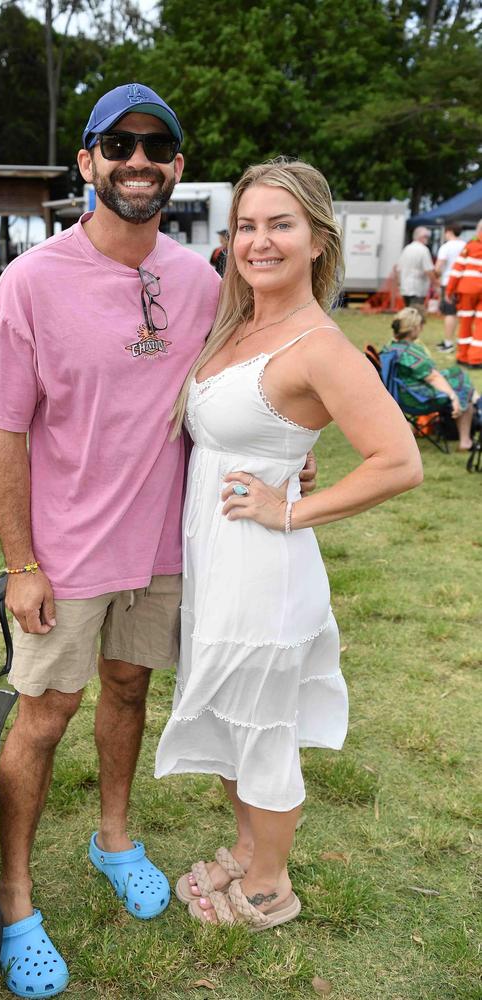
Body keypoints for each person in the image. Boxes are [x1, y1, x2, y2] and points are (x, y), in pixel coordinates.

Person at [0, 85, 319, 997]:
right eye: (116, 145)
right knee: (43, 717)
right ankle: (15, 897)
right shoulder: (31, 283)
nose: (137, 161)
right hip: (64, 557)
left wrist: (287, 467)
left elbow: (237, 397)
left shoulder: (203, 283)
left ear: (177, 169)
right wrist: (20, 565)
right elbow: (2, 430)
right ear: (86, 164)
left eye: (155, 147)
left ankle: (115, 838)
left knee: (129, 691)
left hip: (166, 549)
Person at [154, 158, 423, 931]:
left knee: (264, 727)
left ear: (316, 240)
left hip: (264, 568)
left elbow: (399, 462)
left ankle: (269, 886)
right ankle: (245, 850)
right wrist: (285, 457)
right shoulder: (239, 324)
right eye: (246, 225)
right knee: (235, 717)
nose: (258, 241)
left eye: (281, 225)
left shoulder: (318, 343)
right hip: (216, 563)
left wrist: (288, 509)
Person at [384, 306, 477, 451]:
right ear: (414, 328)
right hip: (420, 401)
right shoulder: (411, 352)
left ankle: (477, 403)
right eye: (421, 325)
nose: (421, 329)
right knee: (462, 386)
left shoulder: (388, 348)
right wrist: (453, 397)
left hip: (401, 398)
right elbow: (433, 377)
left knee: (456, 374)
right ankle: (465, 440)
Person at [446, 218, 482, 368]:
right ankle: (476, 359)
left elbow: (457, 269)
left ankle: (462, 356)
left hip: (467, 289)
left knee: (465, 322)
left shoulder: (470, 246)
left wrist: (449, 290)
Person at [434, 224, 466, 352]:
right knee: (462, 313)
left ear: (449, 231)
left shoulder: (446, 247)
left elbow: (438, 267)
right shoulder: (465, 245)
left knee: (450, 313)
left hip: (449, 283)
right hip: (463, 283)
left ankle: (448, 343)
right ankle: (461, 341)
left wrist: (436, 276)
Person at [396, 226, 434, 308]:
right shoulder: (423, 250)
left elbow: (398, 269)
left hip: (405, 287)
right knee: (416, 314)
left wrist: (399, 284)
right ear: (420, 237)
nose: (427, 239)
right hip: (418, 288)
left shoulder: (407, 248)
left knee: (409, 312)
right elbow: (428, 270)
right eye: (426, 237)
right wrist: (435, 283)